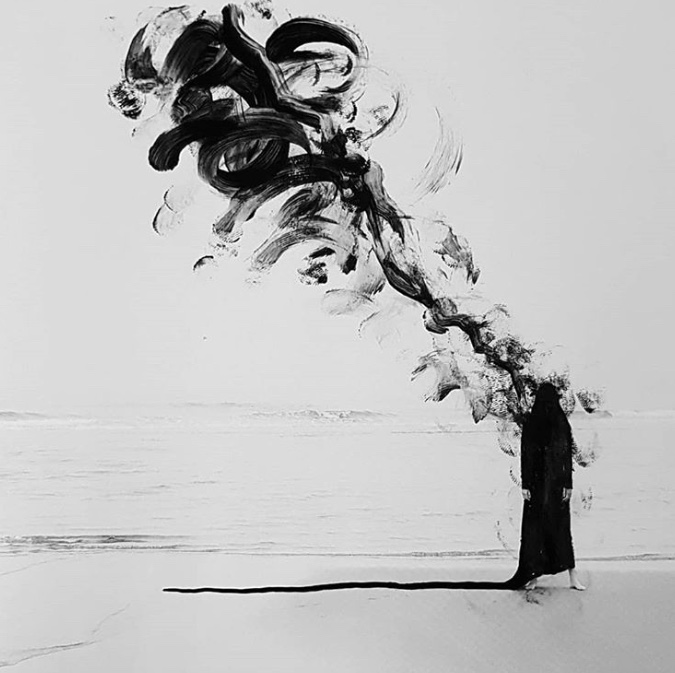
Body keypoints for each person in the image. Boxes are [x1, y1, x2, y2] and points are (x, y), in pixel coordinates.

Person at [514, 382, 586, 590]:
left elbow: (566, 455)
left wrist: (568, 484)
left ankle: (572, 576)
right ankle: (534, 577)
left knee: (558, 530)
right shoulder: (533, 423)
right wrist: (525, 484)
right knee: (539, 531)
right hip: (540, 486)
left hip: (554, 486)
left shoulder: (560, 422)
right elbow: (526, 455)